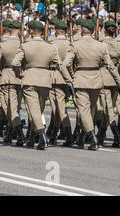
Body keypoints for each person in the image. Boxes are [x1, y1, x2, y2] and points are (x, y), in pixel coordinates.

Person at [61, 19, 120, 150]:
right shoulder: (100, 45)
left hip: (81, 79)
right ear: (94, 31)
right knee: (92, 109)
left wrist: (71, 77)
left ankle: (92, 136)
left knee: (83, 110)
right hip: (96, 79)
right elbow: (110, 66)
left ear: (82, 31)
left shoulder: (75, 45)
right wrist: (119, 81)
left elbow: (65, 65)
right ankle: (83, 136)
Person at [11, 20, 63, 150]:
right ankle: (32, 138)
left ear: (31, 31)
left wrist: (20, 74)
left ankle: (42, 136)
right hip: (45, 80)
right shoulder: (50, 47)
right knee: (37, 110)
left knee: (33, 110)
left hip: (30, 78)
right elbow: (59, 64)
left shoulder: (25, 46)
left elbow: (15, 63)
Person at [0, 20, 25, 146]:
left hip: (7, 77)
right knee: (14, 107)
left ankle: (20, 134)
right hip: (21, 78)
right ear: (19, 31)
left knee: (8, 107)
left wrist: (0, 72)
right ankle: (9, 134)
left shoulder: (3, 44)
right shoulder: (23, 44)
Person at [47, 18, 73, 147]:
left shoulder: (52, 43)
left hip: (54, 76)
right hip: (66, 77)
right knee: (58, 107)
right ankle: (53, 134)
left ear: (56, 31)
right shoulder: (70, 43)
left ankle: (68, 135)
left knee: (59, 108)